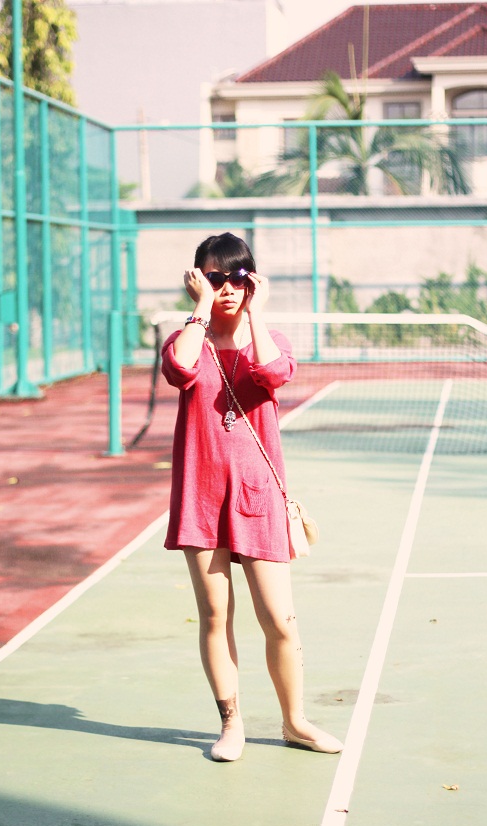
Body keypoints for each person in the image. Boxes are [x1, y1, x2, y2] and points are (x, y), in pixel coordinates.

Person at [161, 232, 342, 762]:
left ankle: (295, 721)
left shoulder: (271, 338)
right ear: (197, 280)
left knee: (280, 620)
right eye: (214, 277)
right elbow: (179, 371)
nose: (227, 288)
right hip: (200, 496)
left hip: (257, 496)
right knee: (216, 616)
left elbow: (273, 373)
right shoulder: (186, 339)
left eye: (237, 277)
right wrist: (199, 309)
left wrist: (256, 313)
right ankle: (231, 723)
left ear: (252, 281)